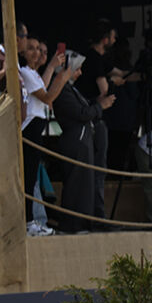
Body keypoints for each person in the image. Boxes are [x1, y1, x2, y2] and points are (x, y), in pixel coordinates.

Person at [52, 53, 115, 233]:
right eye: (77, 69)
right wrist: (100, 106)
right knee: (75, 183)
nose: (79, 73)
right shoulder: (61, 90)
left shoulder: (70, 89)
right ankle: (72, 224)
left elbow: (86, 107)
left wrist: (98, 104)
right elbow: (81, 113)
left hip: (83, 139)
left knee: (85, 184)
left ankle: (82, 223)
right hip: (75, 140)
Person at [74, 19, 127, 225]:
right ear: (105, 39)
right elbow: (104, 90)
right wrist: (114, 84)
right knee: (97, 169)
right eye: (112, 37)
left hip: (95, 119)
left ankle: (95, 213)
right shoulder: (93, 60)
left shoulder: (99, 59)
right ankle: (97, 215)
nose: (114, 41)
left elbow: (117, 73)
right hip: (94, 119)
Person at [20, 37, 73, 235]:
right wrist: (63, 77)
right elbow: (48, 96)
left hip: (37, 126)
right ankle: (28, 222)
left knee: (32, 176)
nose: (37, 53)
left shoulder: (32, 73)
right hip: (30, 127)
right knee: (29, 177)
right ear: (24, 52)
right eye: (32, 49)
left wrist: (51, 67)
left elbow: (43, 88)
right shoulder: (25, 72)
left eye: (39, 49)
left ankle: (33, 220)